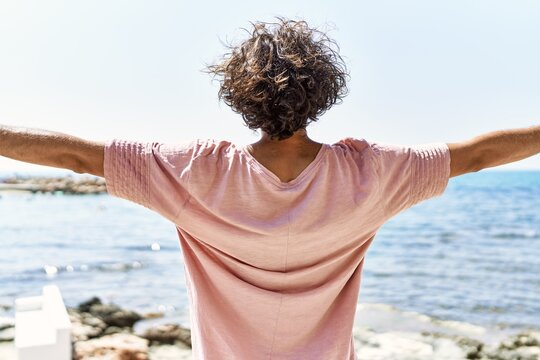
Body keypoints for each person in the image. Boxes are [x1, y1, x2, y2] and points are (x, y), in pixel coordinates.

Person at [0, 16, 538, 360]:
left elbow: (75, 155)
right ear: (324, 94)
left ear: (239, 98)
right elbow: (478, 155)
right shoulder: (373, 175)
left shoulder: (195, 172)